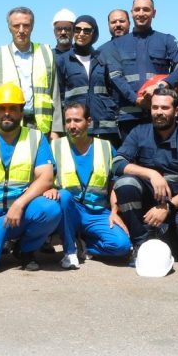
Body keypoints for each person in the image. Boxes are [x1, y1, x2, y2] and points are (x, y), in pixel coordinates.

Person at [0, 82, 60, 274]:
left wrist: (19, 204)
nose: (7, 113)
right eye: (2, 108)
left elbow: (46, 178)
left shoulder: (36, 138)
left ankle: (25, 249)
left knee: (50, 208)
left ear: (22, 112)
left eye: (13, 108)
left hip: (21, 214)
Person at [112, 89, 178, 259]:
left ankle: (173, 235)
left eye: (164, 108)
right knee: (125, 184)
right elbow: (117, 163)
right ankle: (141, 242)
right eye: (155, 107)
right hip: (148, 197)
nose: (159, 112)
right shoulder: (139, 132)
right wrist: (152, 174)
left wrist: (168, 207)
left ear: (176, 111)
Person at [46, 102, 131, 270]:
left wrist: (115, 212)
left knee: (122, 246)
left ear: (89, 121)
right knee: (64, 196)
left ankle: (86, 246)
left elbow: (114, 183)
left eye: (77, 120)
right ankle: (70, 252)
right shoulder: (55, 147)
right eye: (68, 121)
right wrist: (50, 188)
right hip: (68, 210)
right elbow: (43, 177)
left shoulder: (106, 147)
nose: (72, 126)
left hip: (97, 211)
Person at [101, 0, 178, 141]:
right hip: (129, 118)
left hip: (160, 115)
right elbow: (116, 77)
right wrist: (137, 100)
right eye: (137, 9)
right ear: (132, 13)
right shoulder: (116, 45)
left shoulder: (166, 40)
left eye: (146, 9)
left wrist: (162, 85)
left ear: (154, 13)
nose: (141, 13)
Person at [0, 7, 63, 139]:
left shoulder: (46, 52)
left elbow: (54, 93)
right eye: (16, 26)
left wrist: (56, 130)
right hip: (8, 126)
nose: (21, 30)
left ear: (32, 27)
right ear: (9, 28)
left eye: (26, 25)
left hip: (42, 128)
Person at [55, 15, 117, 141]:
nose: (81, 34)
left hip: (104, 126)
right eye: (77, 29)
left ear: (94, 33)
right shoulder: (63, 60)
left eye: (86, 30)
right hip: (76, 126)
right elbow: (59, 96)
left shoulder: (102, 58)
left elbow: (112, 91)